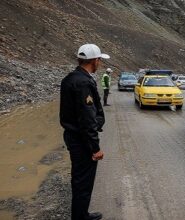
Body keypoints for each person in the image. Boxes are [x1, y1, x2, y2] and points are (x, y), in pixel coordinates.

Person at [60, 44, 109, 220]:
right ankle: (80, 217)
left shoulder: (70, 78)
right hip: (82, 141)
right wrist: (95, 148)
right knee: (83, 182)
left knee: (79, 180)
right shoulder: (83, 83)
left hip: (74, 137)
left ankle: (80, 214)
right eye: (99, 60)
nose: (100, 63)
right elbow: (87, 120)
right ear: (94, 60)